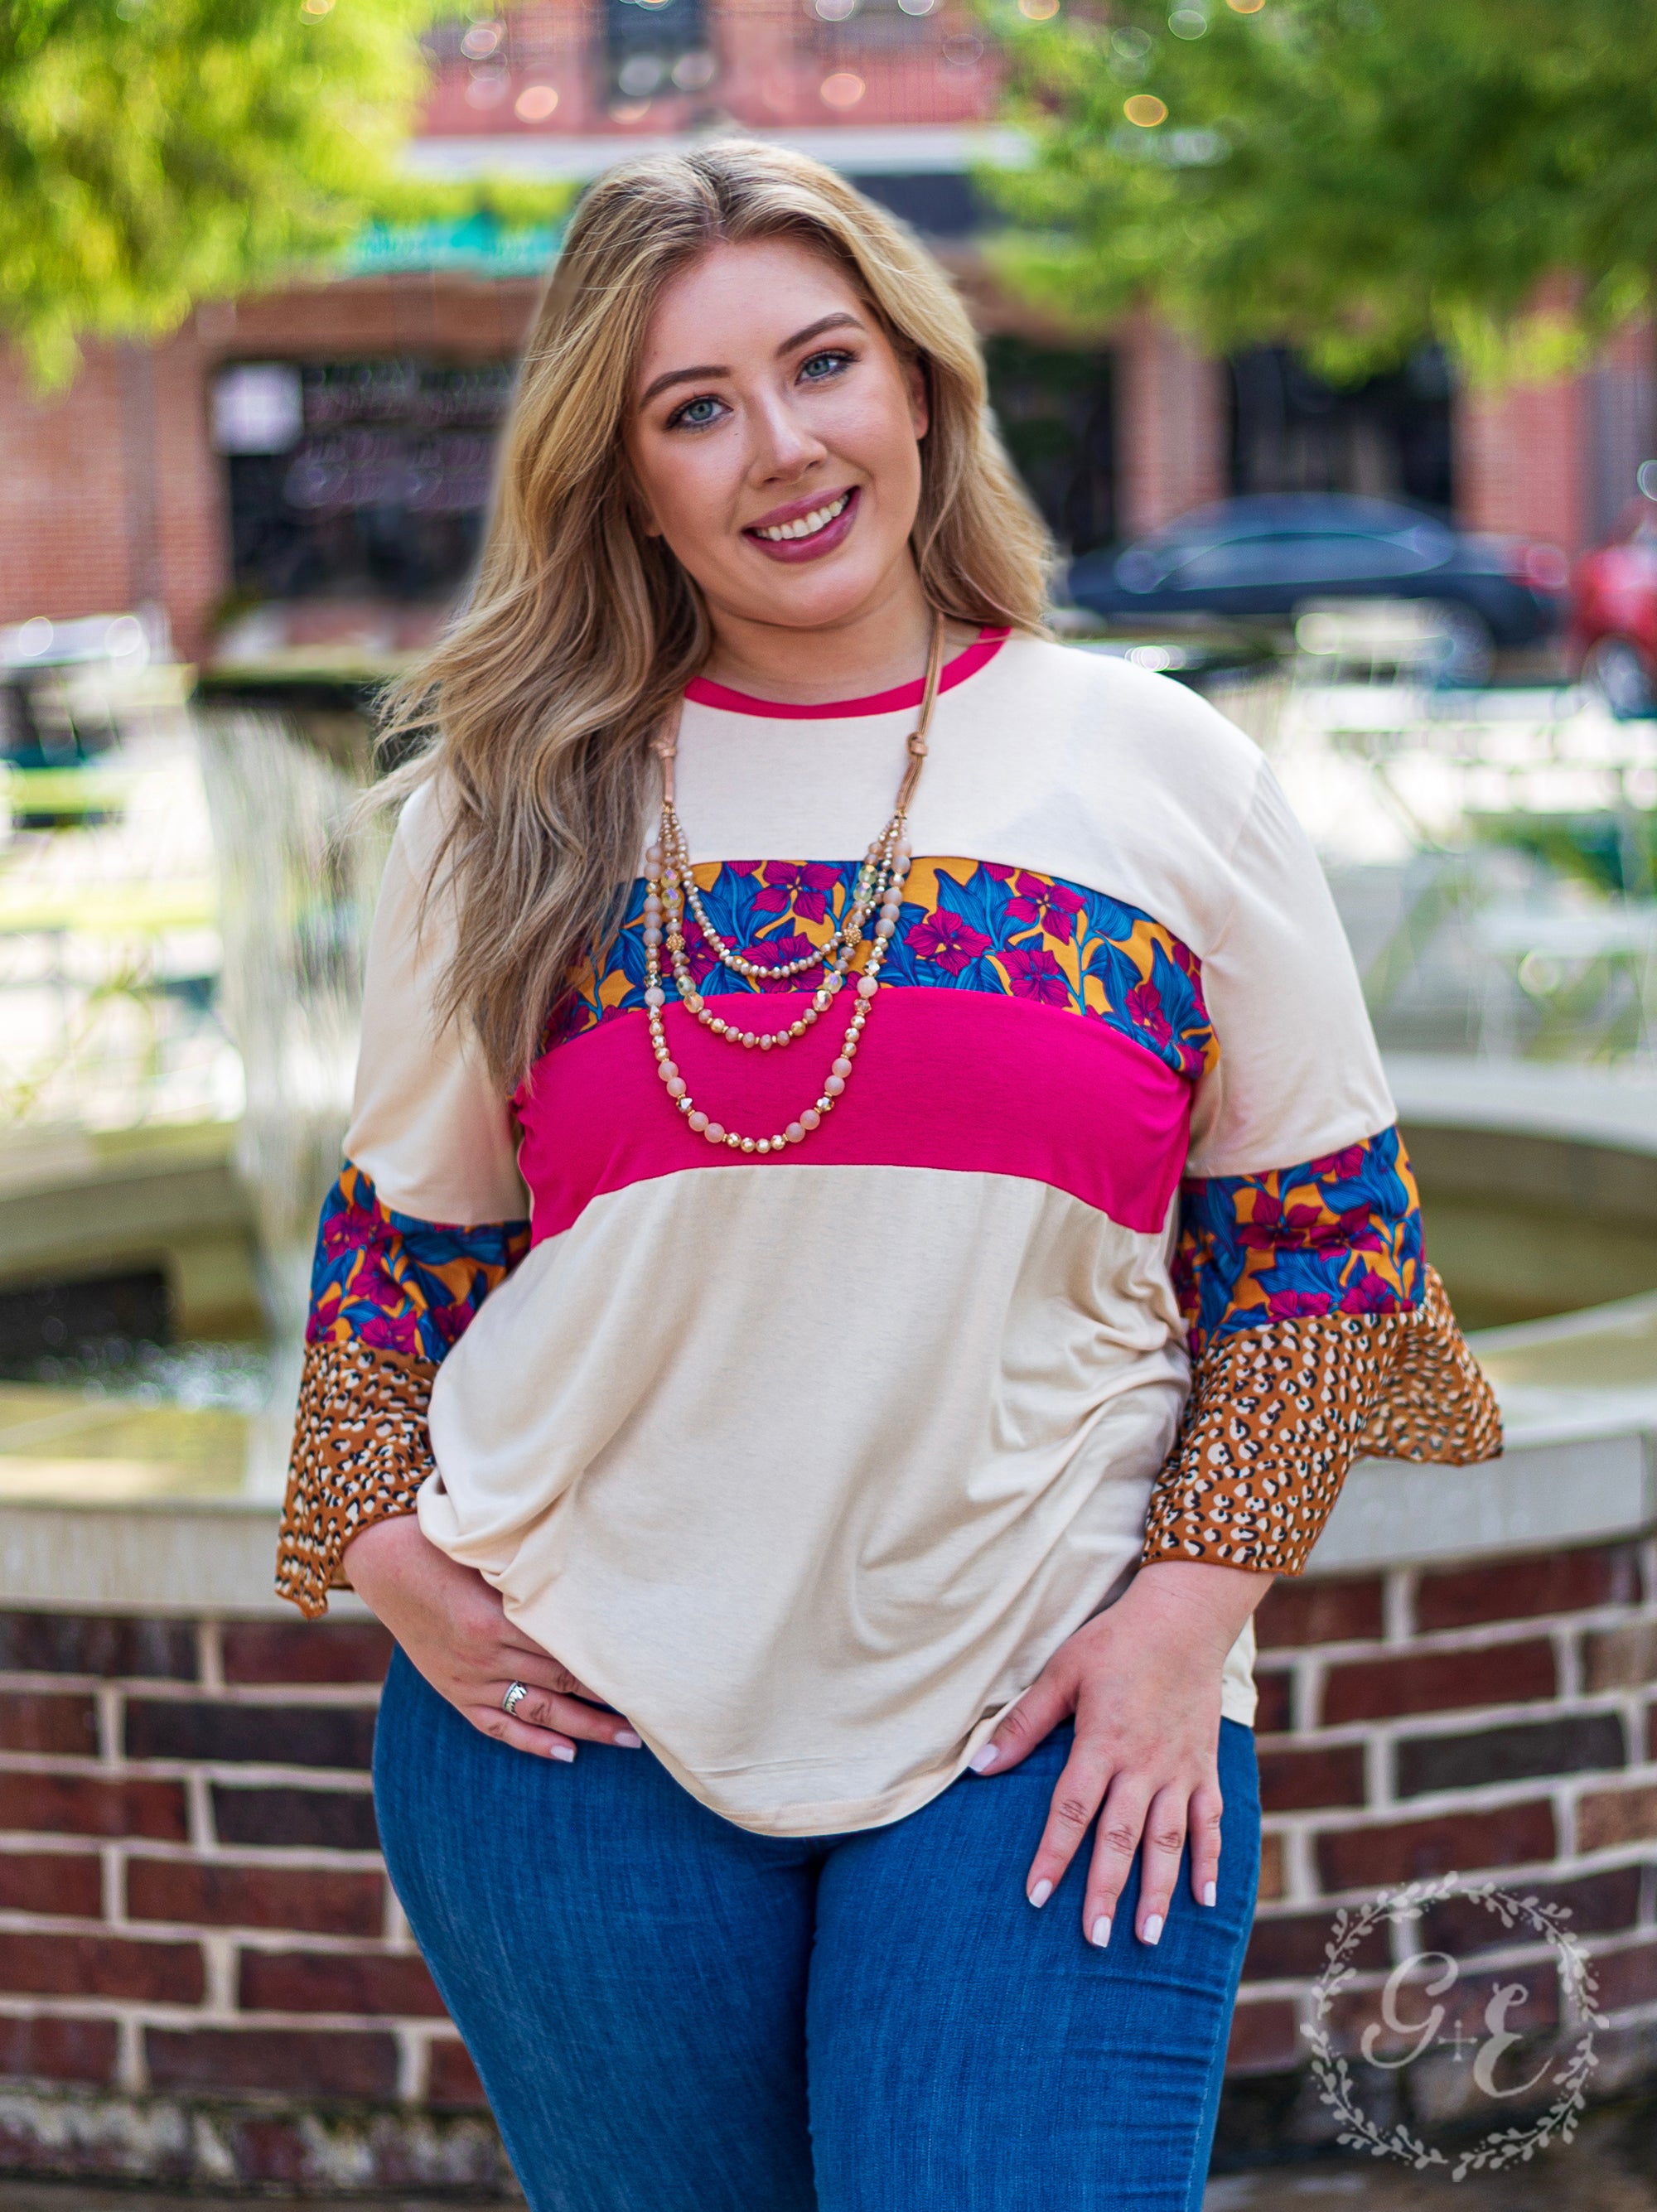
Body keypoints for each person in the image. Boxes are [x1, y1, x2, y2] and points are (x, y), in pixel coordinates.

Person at [275, 142, 1500, 2212]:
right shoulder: (502, 815)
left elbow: (1323, 1258)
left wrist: (1183, 1627)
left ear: (923, 383)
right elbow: (403, 1255)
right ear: (628, 476)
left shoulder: (1156, 765)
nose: (782, 447)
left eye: (822, 363)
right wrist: (393, 1558)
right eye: (694, 408)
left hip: (1047, 1703)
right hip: (581, 1736)